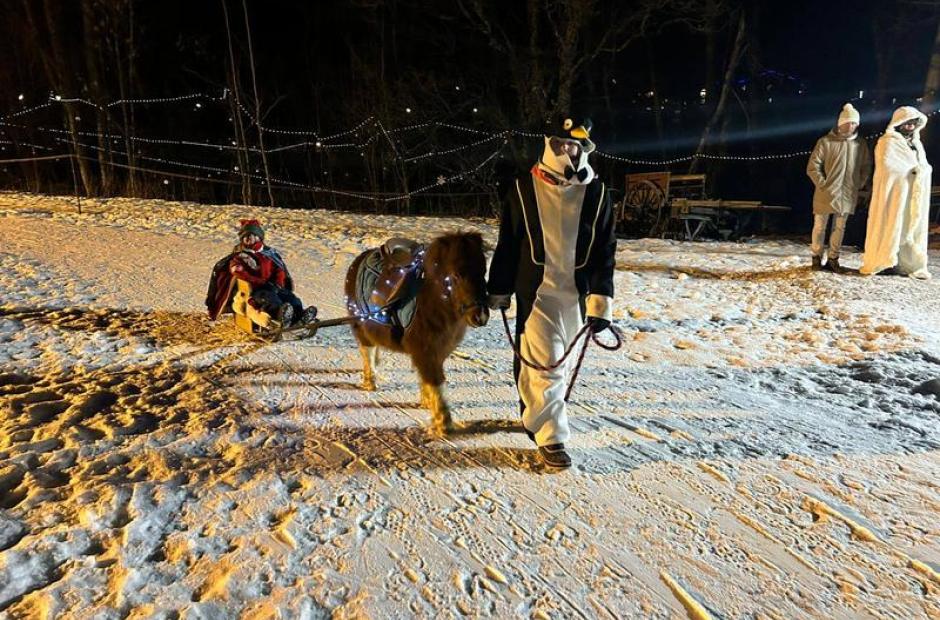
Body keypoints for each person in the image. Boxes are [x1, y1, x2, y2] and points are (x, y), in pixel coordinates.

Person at [487, 116, 616, 469]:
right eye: (558, 143)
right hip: (537, 295)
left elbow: (606, 250)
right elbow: (508, 244)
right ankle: (552, 438)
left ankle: (535, 417)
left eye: (571, 144)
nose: (565, 150)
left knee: (561, 365)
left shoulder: (598, 193)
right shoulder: (522, 188)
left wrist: (601, 302)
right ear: (548, 144)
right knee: (545, 366)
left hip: (577, 297)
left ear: (583, 147)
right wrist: (498, 289)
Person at [860, 106, 932, 279]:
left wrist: (922, 170)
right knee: (892, 223)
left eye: (913, 123)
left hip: (912, 193)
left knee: (908, 225)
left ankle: (906, 263)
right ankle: (884, 260)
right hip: (894, 193)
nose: (910, 126)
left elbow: (924, 165)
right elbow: (888, 167)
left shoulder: (916, 144)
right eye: (907, 123)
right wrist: (909, 171)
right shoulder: (888, 142)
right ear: (899, 123)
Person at [206, 219, 317, 326]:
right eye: (246, 237)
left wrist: (278, 282)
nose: (249, 239)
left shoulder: (268, 254)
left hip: (273, 286)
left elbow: (279, 269)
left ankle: (300, 314)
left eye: (253, 236)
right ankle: (281, 316)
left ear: (259, 237)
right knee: (270, 300)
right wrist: (260, 282)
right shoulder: (239, 257)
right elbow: (240, 273)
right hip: (256, 289)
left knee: (290, 297)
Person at [806, 103, 871, 273]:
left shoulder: (860, 144)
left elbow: (866, 166)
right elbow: (813, 166)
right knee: (820, 226)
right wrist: (823, 184)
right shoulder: (825, 142)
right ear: (840, 123)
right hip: (826, 193)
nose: (852, 126)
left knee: (840, 227)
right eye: (849, 122)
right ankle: (816, 257)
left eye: (855, 123)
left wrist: (859, 184)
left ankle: (833, 258)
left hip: (848, 193)